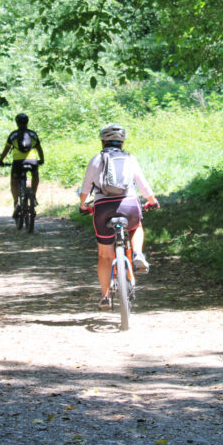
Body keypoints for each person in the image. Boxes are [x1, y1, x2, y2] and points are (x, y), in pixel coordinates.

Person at [78, 123, 159, 309]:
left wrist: (83, 205)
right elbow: (144, 187)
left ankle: (105, 295)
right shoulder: (130, 159)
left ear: (102, 141)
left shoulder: (96, 159)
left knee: (105, 256)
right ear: (122, 142)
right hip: (129, 205)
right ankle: (137, 253)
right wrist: (152, 201)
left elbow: (85, 190)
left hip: (103, 209)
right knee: (136, 226)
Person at [0, 113, 45, 218]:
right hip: (32, 161)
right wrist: (41, 160)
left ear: (17, 122)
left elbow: (6, 150)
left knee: (14, 183)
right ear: (27, 122)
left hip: (18, 162)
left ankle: (16, 203)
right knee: (35, 176)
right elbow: (39, 148)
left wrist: (0, 160)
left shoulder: (13, 135)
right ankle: (33, 196)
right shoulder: (32, 134)